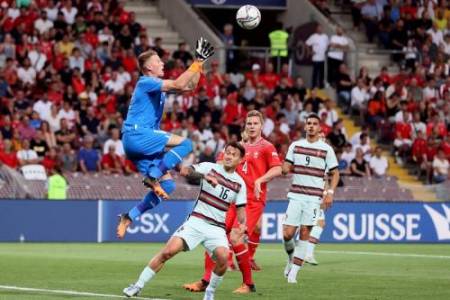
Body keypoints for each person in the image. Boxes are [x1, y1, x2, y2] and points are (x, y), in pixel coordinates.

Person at [116, 38, 214, 239]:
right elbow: (179, 82)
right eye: (158, 61)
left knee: (168, 185)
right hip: (138, 134)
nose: (162, 64)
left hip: (139, 142)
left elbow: (189, 86)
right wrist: (195, 63)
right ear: (149, 67)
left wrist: (200, 62)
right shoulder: (146, 82)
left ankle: (129, 216)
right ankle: (153, 176)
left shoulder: (155, 86)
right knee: (187, 143)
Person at [122, 142, 247, 300]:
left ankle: (210, 293)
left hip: (217, 228)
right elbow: (185, 170)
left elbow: (241, 209)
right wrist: (204, 176)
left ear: (241, 160)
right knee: (167, 252)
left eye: (233, 154)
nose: (229, 156)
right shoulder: (210, 167)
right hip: (196, 221)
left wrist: (242, 225)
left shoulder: (240, 184)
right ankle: (137, 285)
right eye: (227, 152)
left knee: (224, 257)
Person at [183, 110, 282, 294]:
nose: (252, 126)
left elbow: (278, 169)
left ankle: (249, 284)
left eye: (255, 123)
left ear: (261, 126)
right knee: (213, 235)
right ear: (245, 126)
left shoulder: (267, 147)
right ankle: (205, 281)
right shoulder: (236, 148)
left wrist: (261, 180)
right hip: (230, 199)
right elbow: (220, 164)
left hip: (252, 201)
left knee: (236, 237)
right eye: (249, 123)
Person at [281, 114, 339, 283]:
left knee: (305, 232)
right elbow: (285, 167)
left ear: (319, 128)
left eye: (315, 124)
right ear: (305, 127)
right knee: (287, 234)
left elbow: (335, 173)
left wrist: (329, 193)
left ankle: (293, 275)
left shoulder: (327, 149)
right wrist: (283, 168)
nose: (312, 126)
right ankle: (290, 258)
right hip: (296, 196)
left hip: (314, 198)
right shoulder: (295, 145)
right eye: (309, 123)